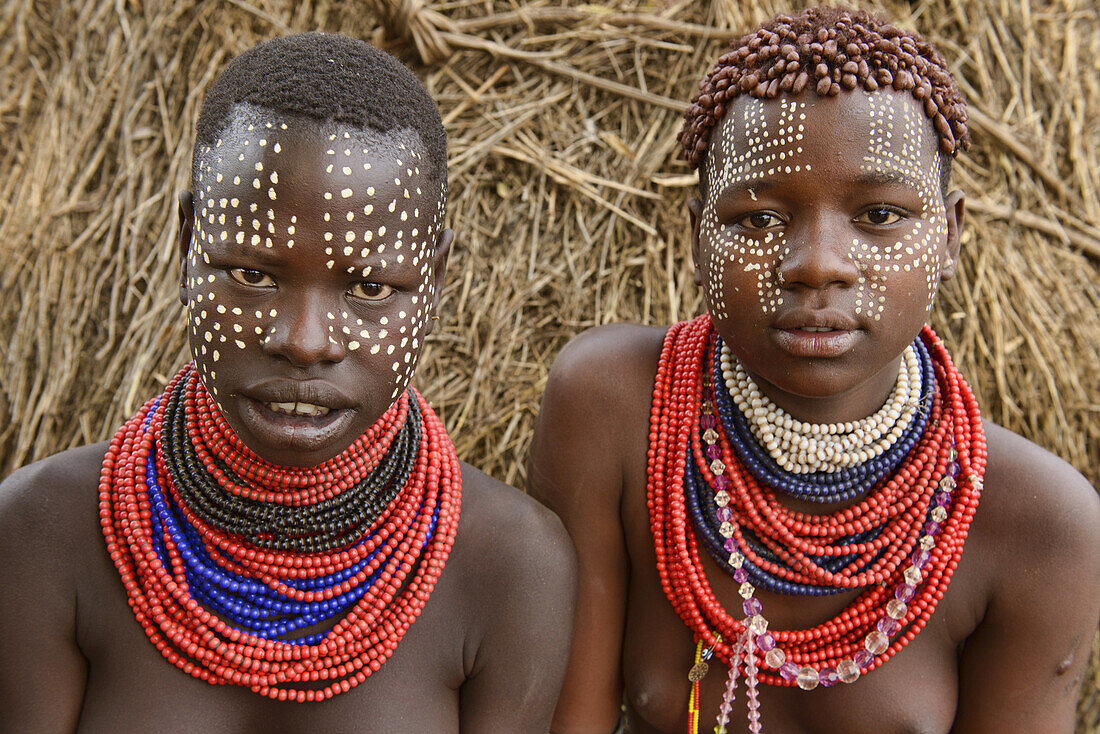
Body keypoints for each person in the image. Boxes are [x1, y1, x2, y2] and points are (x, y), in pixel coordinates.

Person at [528, 7, 1100, 733]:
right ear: (699, 235)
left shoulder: (1039, 525)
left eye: (880, 215)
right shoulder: (612, 410)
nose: (818, 263)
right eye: (758, 220)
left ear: (952, 235)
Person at [0, 32, 575, 733]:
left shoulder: (513, 568)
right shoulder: (42, 531)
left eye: (368, 286)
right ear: (187, 245)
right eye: (252, 274)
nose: (304, 340)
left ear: (435, 279)